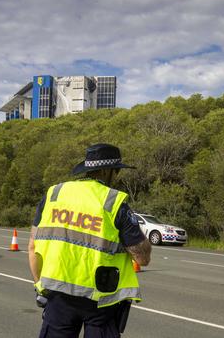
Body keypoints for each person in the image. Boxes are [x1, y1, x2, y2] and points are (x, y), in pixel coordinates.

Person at [28, 143, 152, 338]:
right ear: (105, 171)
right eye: (116, 171)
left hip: (58, 296)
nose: (117, 176)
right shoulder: (114, 202)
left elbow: (33, 246)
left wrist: (39, 287)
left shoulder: (54, 194)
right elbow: (142, 258)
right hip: (100, 301)